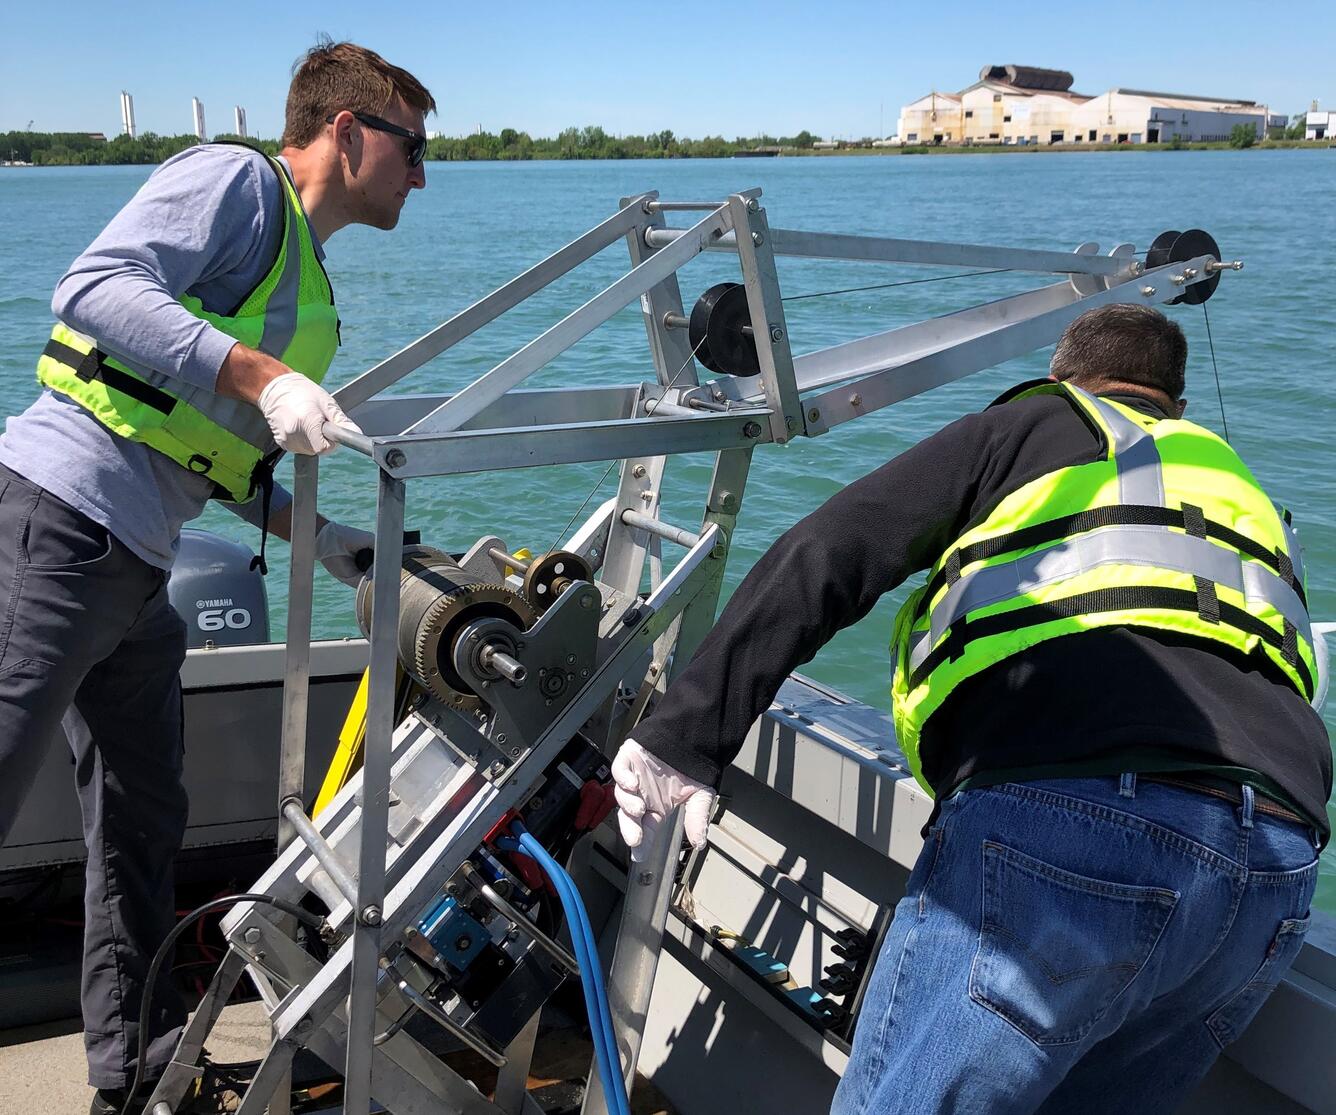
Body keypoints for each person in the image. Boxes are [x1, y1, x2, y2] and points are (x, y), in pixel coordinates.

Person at [611, 303, 1330, 1113]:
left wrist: (682, 736)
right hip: (1273, 865)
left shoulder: (1041, 423)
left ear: (1065, 376)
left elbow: (835, 547)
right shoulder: (1245, 491)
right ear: (1179, 406)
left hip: (1078, 820)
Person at [0, 40, 435, 1114]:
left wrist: (319, 534)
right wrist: (262, 373)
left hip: (137, 569)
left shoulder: (303, 278)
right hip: (56, 526)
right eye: (413, 146)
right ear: (346, 131)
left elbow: (206, 447)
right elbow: (94, 286)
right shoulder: (237, 183)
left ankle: (134, 1077)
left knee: (143, 821)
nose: (422, 174)